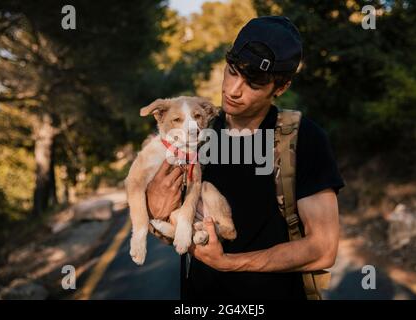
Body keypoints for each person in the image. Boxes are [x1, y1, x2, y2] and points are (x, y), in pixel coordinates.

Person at [146, 16, 345, 300]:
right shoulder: (198, 133)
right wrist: (158, 211)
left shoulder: (304, 139)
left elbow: (323, 249)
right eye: (232, 71)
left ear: (281, 87)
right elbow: (172, 227)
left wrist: (227, 264)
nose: (233, 90)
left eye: (253, 83)